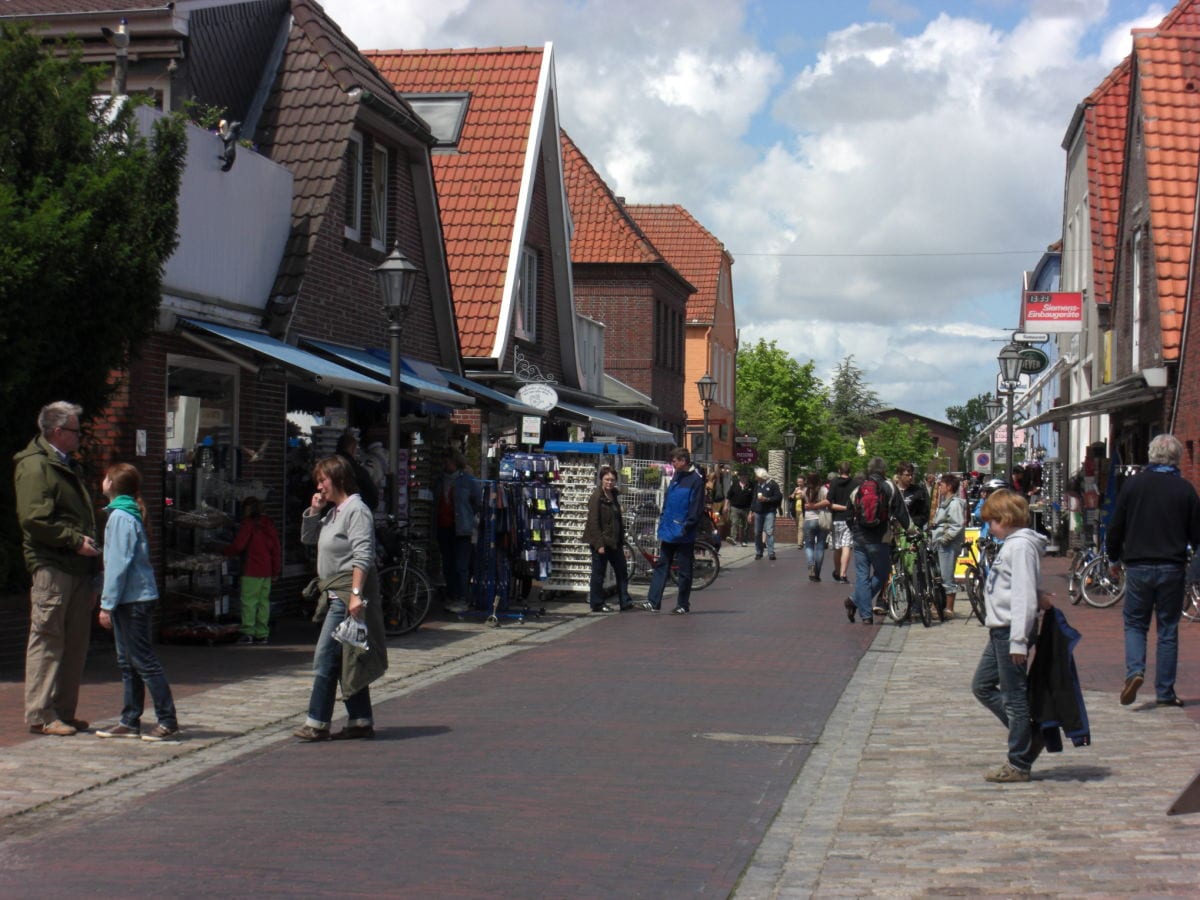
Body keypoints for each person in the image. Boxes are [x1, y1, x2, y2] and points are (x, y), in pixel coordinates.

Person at [13, 401, 101, 737]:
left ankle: (63, 711)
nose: (81, 436)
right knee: (48, 637)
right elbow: (34, 519)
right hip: (54, 565)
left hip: (77, 565)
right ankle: (41, 713)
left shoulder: (65, 464)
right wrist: (73, 539)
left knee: (75, 642)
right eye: (77, 430)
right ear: (58, 431)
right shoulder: (36, 467)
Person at [295, 455, 387, 742]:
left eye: (323, 480)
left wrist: (356, 595)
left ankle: (317, 723)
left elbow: (363, 555)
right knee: (347, 657)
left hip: (345, 595)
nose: (319, 485)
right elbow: (310, 540)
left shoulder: (356, 510)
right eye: (318, 481)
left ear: (338, 479)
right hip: (333, 592)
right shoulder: (334, 511)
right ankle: (360, 720)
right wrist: (313, 511)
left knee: (325, 657)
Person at [1105, 434, 1200, 708]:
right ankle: (1165, 692)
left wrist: (1113, 559)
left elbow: (1116, 526)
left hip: (1138, 566)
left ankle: (1135, 671)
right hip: (1172, 567)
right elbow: (1197, 534)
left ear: (1151, 455)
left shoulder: (1133, 486)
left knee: (1135, 623)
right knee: (1168, 628)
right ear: (1177, 458)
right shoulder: (1185, 490)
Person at [95, 463, 179, 742]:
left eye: (105, 478)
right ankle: (130, 720)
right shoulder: (127, 514)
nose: (102, 481)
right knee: (128, 662)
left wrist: (107, 604)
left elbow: (118, 563)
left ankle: (167, 720)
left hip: (132, 599)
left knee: (143, 661)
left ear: (110, 484)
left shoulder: (120, 517)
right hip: (133, 597)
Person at [970, 488, 1049, 783]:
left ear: (1005, 518)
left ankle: (1019, 761)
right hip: (1000, 628)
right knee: (982, 685)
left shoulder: (1020, 547)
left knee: (1015, 695)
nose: (989, 526)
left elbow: (1022, 594)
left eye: (992, 521)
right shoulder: (1014, 545)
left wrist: (1018, 639)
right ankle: (1027, 735)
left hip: (1010, 631)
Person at [843, 457, 910, 625]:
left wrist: (855, 530)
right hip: (880, 538)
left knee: (861, 576)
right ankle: (854, 601)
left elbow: (848, 515)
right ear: (884, 471)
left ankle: (865, 615)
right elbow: (901, 513)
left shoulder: (859, 489)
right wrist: (911, 530)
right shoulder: (889, 487)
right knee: (882, 573)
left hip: (859, 538)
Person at [639, 447, 705, 614]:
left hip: (683, 533)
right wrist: (663, 518)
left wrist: (686, 527)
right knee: (662, 565)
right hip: (669, 529)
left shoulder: (696, 481)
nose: (672, 464)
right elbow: (668, 500)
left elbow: (696, 508)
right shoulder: (677, 476)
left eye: (674, 461)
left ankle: (683, 604)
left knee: (684, 570)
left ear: (683, 461)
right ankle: (653, 601)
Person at [224, 496, 282, 644]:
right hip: (267, 569)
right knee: (263, 602)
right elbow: (276, 549)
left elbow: (239, 545)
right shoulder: (269, 524)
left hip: (251, 568)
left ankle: (247, 632)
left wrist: (225, 551)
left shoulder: (249, 524)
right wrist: (276, 570)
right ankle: (262, 632)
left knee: (249, 602)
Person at [581, 465, 634, 613]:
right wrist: (599, 544)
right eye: (607, 479)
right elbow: (593, 522)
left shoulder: (614, 495)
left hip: (615, 541)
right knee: (599, 574)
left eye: (612, 480)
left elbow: (618, 521)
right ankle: (597, 603)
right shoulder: (597, 497)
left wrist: (622, 543)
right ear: (601, 480)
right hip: (602, 541)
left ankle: (625, 600)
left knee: (622, 571)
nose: (610, 482)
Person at [434, 450, 481, 614]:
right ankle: (453, 595)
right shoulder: (439, 480)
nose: (444, 465)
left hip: (461, 529)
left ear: (455, 463)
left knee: (461, 565)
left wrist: (467, 517)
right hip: (443, 527)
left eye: (447, 462)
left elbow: (477, 502)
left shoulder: (468, 480)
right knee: (448, 565)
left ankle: (463, 598)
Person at [930, 473, 968, 617]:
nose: (939, 487)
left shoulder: (954, 504)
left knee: (947, 576)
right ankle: (937, 605)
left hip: (948, 545)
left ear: (949, 487)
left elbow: (957, 524)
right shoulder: (944, 503)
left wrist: (946, 538)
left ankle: (949, 608)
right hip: (939, 543)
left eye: (942, 485)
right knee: (938, 575)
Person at [336, 430, 380, 515]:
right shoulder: (356, 470)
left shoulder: (327, 466)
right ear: (353, 449)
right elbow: (372, 496)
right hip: (352, 513)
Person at [827, 462, 857, 584]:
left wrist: (840, 507)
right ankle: (843, 574)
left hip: (836, 519)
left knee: (837, 547)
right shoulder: (855, 483)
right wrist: (848, 509)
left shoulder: (834, 483)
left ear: (839, 471)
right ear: (849, 471)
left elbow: (829, 502)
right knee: (846, 547)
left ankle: (837, 571)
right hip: (849, 519)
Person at [801, 472, 831, 582]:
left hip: (809, 519)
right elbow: (828, 502)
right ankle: (817, 572)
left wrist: (810, 506)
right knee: (820, 545)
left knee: (809, 545)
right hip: (822, 519)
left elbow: (805, 504)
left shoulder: (805, 490)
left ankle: (811, 565)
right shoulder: (824, 490)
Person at [750, 467, 783, 561]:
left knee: (769, 532)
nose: (755, 478)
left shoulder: (773, 484)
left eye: (757, 476)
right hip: (758, 512)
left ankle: (771, 553)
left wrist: (767, 499)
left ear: (762, 477)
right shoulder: (757, 485)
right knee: (757, 533)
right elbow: (754, 499)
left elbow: (778, 497)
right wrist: (751, 511)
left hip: (769, 511)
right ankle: (759, 552)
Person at [896, 462, 930, 529]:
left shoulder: (918, 491)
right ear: (899, 475)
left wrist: (911, 522)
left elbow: (925, 514)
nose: (910, 477)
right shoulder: (892, 491)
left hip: (912, 531)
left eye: (911, 475)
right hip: (893, 533)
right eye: (907, 475)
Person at [726, 470, 754, 547]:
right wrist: (726, 505)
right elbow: (728, 496)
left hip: (746, 508)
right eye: (742, 476)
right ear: (739, 477)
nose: (744, 478)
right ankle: (733, 538)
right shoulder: (734, 485)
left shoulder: (751, 485)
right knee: (734, 523)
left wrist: (752, 511)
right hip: (735, 507)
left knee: (746, 525)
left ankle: (744, 540)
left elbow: (753, 499)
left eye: (745, 476)